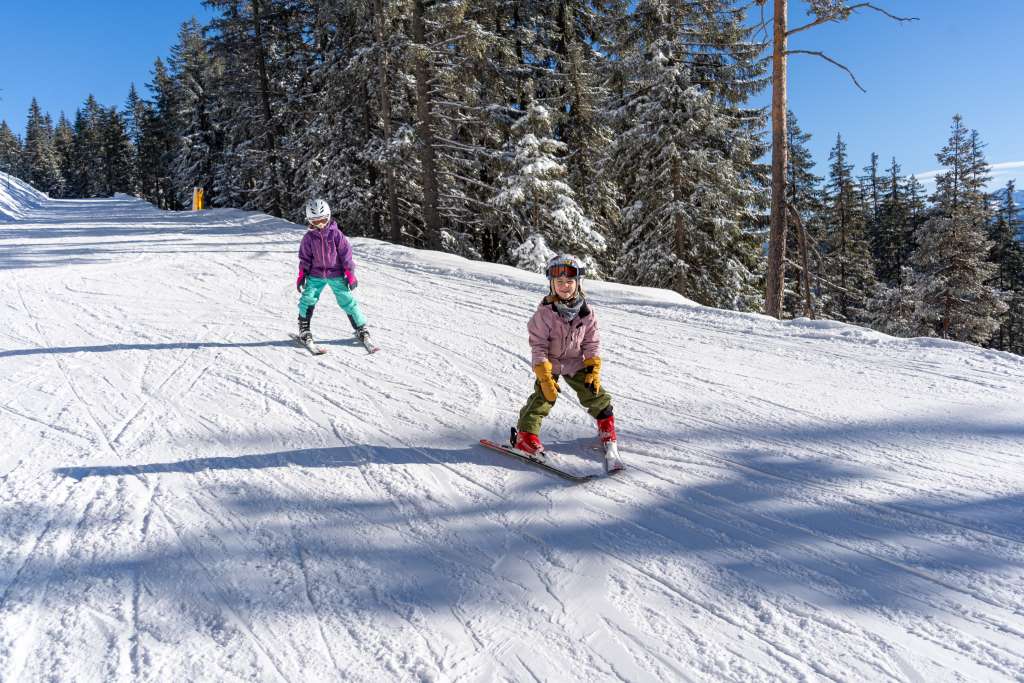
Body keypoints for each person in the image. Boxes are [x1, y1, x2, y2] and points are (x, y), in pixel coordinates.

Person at [514, 254, 621, 472]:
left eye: (570, 282)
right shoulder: (544, 314)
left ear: (578, 283)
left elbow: (592, 342)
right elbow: (538, 346)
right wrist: (544, 374)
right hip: (550, 364)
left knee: (596, 394)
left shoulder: (587, 313)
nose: (565, 286)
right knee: (544, 397)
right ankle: (525, 435)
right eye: (559, 282)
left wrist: (593, 368)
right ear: (552, 284)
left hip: (575, 362)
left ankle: (606, 429)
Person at [295, 198, 371, 344]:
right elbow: (304, 259)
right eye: (316, 222)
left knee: (347, 300)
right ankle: (304, 329)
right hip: (315, 274)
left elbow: (346, 255)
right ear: (310, 221)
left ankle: (361, 328)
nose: (320, 224)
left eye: (323, 220)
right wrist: (302, 275)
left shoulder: (336, 235)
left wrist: (350, 274)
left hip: (335, 274)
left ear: (328, 216)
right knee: (307, 299)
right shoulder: (308, 238)